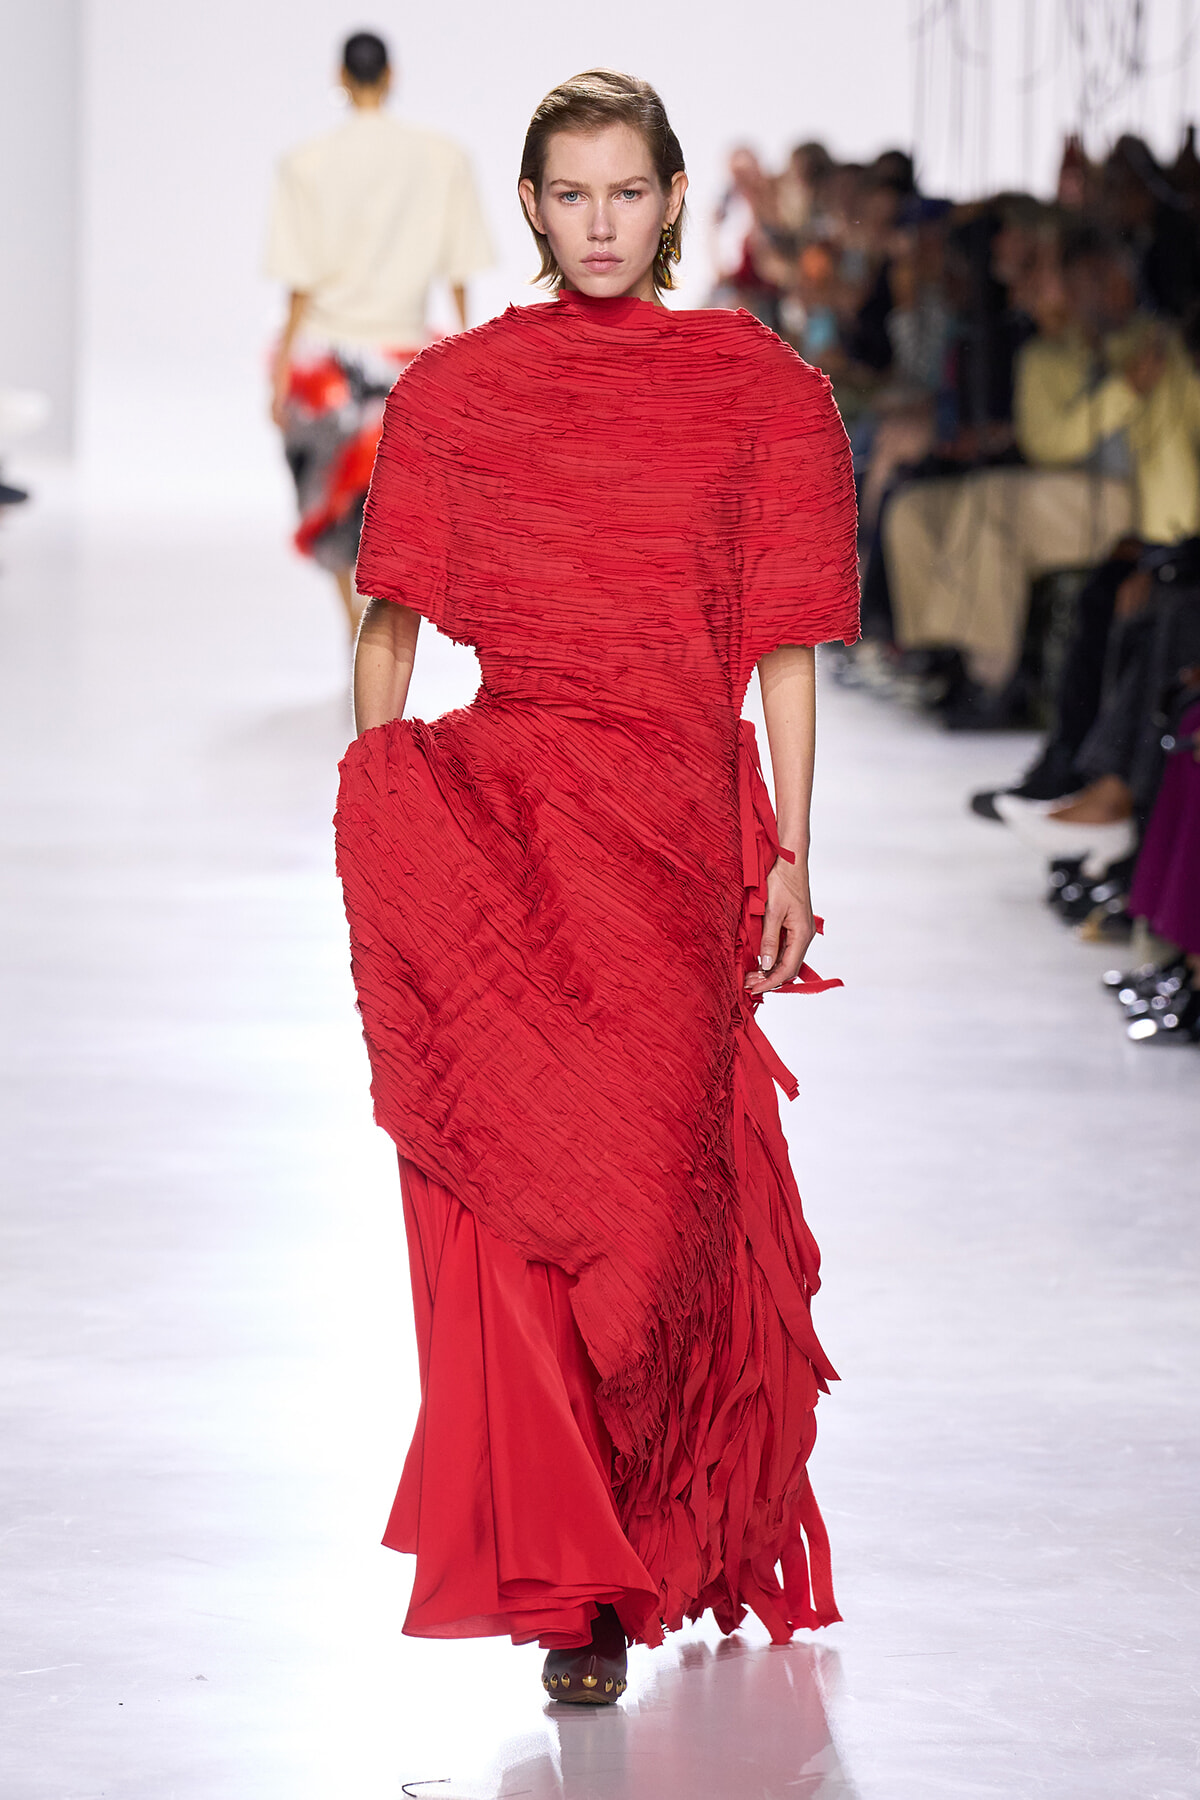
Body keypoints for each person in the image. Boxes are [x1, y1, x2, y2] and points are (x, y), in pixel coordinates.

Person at [334, 70, 859, 1704]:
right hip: (517, 829)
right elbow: (390, 619)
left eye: (630, 190)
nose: (604, 221)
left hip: (680, 830)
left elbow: (780, 641)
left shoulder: (755, 391)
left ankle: (638, 1530)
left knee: (656, 1208)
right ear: (537, 209)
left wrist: (792, 845)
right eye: (575, 194)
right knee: (522, 1194)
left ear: (676, 196)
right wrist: (395, 808)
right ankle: (578, 1593)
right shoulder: (465, 396)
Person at [264, 31, 493, 636]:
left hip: (325, 368)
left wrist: (283, 368)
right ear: (390, 76)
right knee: (395, 514)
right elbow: (460, 269)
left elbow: (298, 281)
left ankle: (354, 624)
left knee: (332, 506)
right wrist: (469, 361)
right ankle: (380, 635)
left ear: (341, 77)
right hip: (405, 360)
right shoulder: (443, 158)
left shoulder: (304, 163)